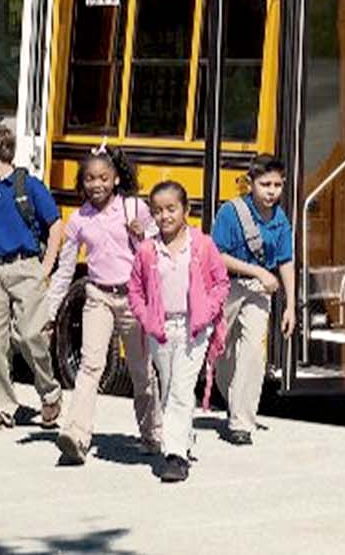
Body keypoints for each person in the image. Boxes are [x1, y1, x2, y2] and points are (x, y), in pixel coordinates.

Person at [47, 144, 161, 465]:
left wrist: (142, 235)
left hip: (132, 298)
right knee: (90, 365)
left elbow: (159, 247)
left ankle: (152, 432)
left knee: (141, 371)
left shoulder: (134, 208)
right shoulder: (78, 220)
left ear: (115, 179)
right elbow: (65, 269)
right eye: (89, 179)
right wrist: (50, 312)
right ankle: (76, 436)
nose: (96, 185)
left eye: (103, 178)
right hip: (97, 295)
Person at [0, 124, 64, 433]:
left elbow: (55, 225)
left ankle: (49, 392)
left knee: (31, 335)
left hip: (26, 265)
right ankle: (0, 408)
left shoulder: (28, 186)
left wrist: (45, 267)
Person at [128, 181, 229, 482]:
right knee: (169, 386)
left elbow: (221, 282)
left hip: (193, 326)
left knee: (181, 390)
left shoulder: (201, 245)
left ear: (186, 210)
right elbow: (134, 289)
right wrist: (146, 318)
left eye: (171, 209)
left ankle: (175, 456)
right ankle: (183, 437)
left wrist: (208, 312)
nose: (165, 216)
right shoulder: (148, 250)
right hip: (160, 327)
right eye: (157, 211)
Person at [211, 154, 296, 445]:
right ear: (251, 183)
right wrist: (258, 271)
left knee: (253, 354)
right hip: (228, 287)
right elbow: (218, 255)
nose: (272, 191)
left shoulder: (280, 218)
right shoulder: (230, 213)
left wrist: (291, 306)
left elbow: (286, 260)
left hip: (259, 292)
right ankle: (233, 400)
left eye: (277, 185)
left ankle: (241, 422)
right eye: (265, 184)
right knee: (220, 353)